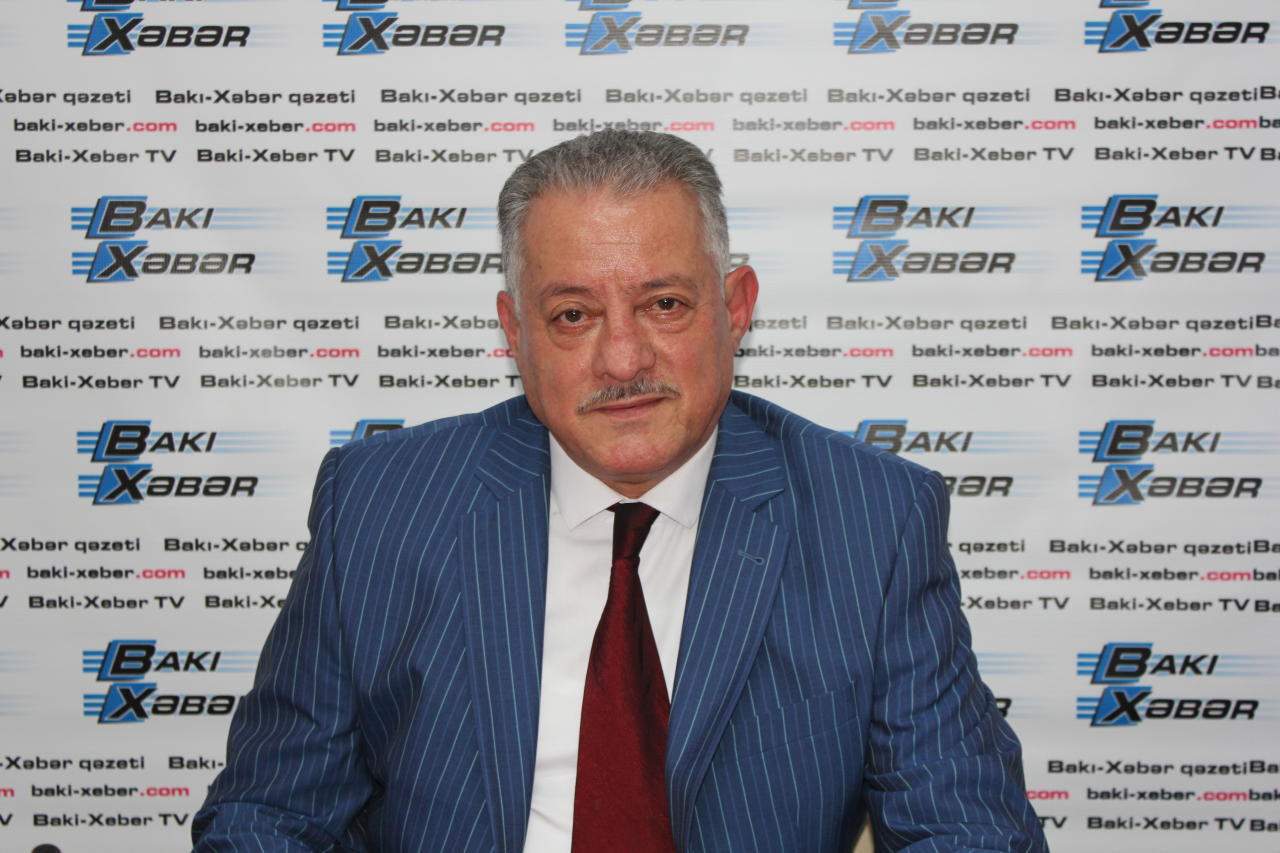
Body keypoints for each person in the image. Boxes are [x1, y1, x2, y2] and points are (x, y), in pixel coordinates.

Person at [193, 130, 1047, 852]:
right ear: (515, 331)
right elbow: (270, 814)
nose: (623, 358)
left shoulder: (874, 520)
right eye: (573, 314)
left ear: (735, 306)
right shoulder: (379, 506)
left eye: (664, 304)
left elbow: (965, 826)